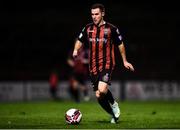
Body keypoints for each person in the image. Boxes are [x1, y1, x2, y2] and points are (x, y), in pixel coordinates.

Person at [72, 3, 134, 123]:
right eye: (92, 14)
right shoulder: (88, 28)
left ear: (103, 14)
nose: (94, 16)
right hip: (93, 66)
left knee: (102, 89)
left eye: (97, 14)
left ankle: (114, 104)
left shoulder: (112, 29)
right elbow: (80, 40)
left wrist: (125, 61)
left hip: (107, 63)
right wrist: (75, 50)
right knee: (99, 96)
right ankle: (113, 115)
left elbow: (120, 44)